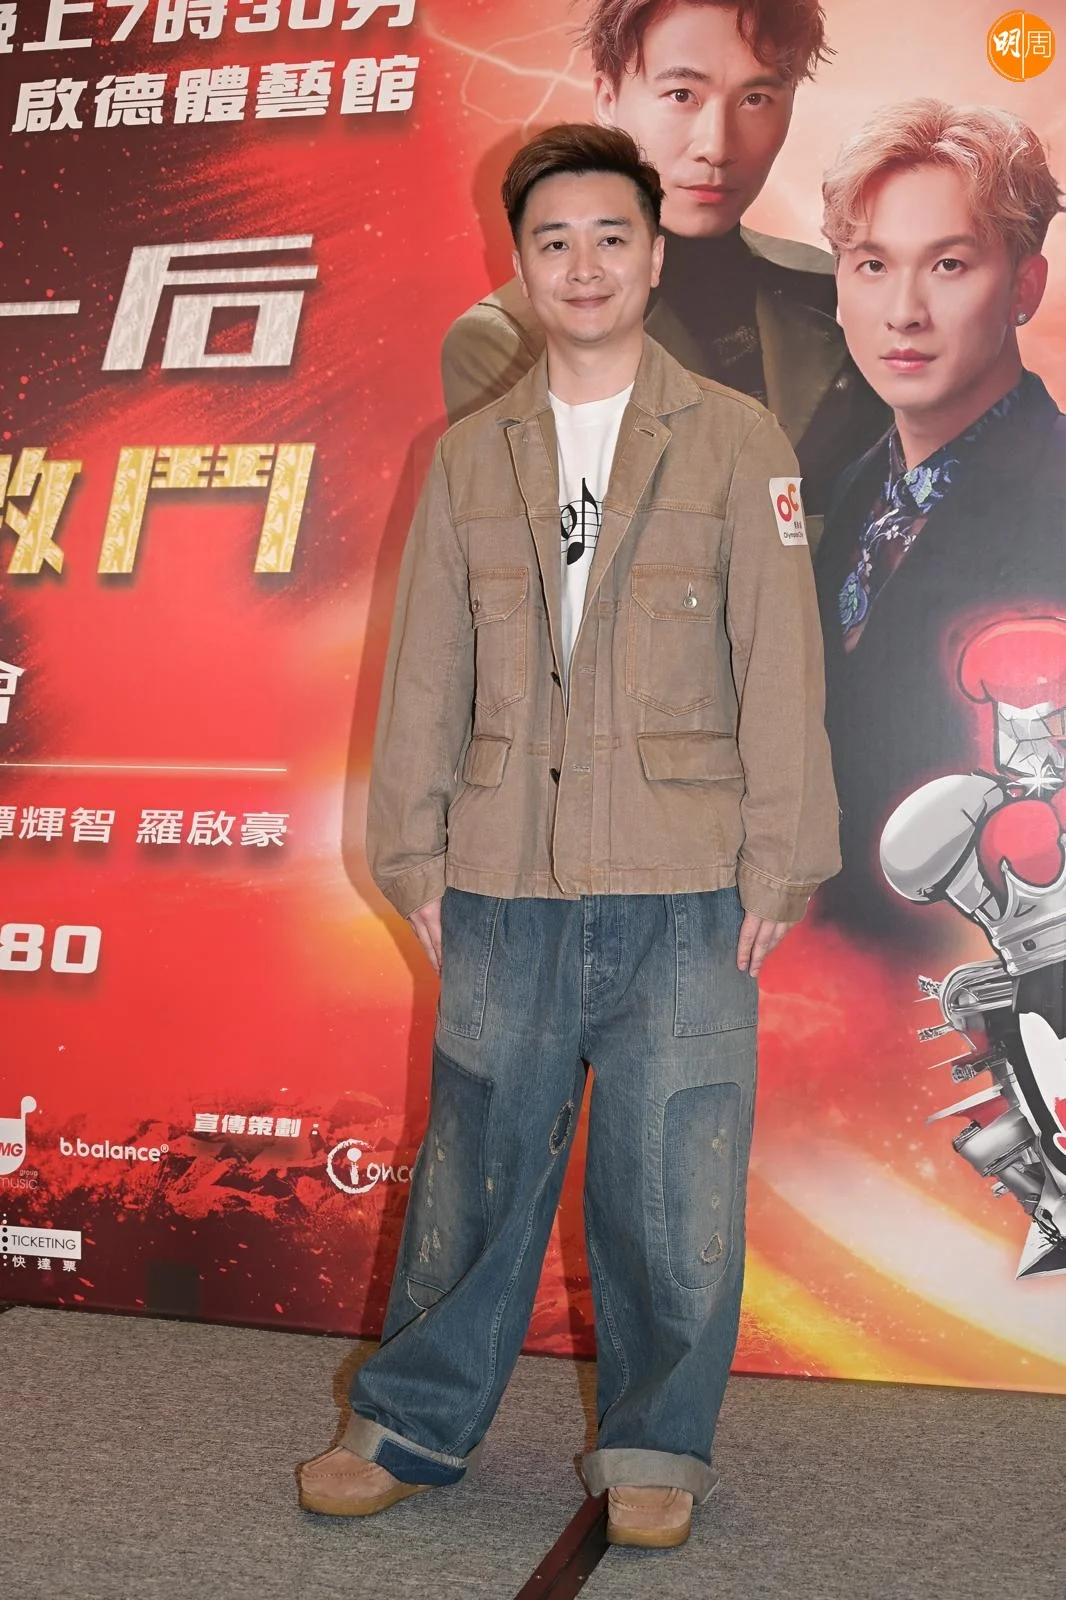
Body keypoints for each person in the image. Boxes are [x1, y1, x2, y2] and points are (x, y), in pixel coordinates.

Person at [299, 123, 839, 1550]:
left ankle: (658, 1440)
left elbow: (781, 661)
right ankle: (410, 1421)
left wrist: (779, 861)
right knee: (475, 1162)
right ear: (519, 265)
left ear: (655, 259)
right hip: (502, 870)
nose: (583, 264)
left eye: (611, 237)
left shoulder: (737, 440)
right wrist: (415, 858)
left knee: (671, 1173)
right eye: (553, 241)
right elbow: (425, 671)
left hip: (687, 881)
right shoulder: (469, 455)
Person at [441, 0, 888, 527]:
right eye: (682, 95)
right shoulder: (513, 339)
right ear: (608, 98)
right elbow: (557, 554)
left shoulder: (835, 287)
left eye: (756, 98)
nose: (717, 147)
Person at [813, 97, 1065, 935]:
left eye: (949, 264)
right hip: (823, 973)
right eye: (871, 264)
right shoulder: (857, 485)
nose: (903, 311)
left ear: (1025, 286)